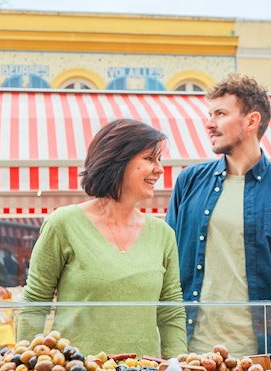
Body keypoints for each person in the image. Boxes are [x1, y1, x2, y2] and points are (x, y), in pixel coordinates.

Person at [166, 73, 271, 355]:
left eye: (221, 114)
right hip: (189, 351)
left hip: (258, 356)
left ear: (252, 121)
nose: (209, 124)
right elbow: (167, 262)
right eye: (210, 114)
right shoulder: (188, 181)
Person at [17, 119, 187, 358]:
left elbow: (170, 312)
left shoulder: (163, 234)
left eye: (159, 160)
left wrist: (178, 369)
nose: (159, 169)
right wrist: (25, 369)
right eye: (149, 159)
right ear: (117, 161)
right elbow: (35, 303)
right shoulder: (63, 223)